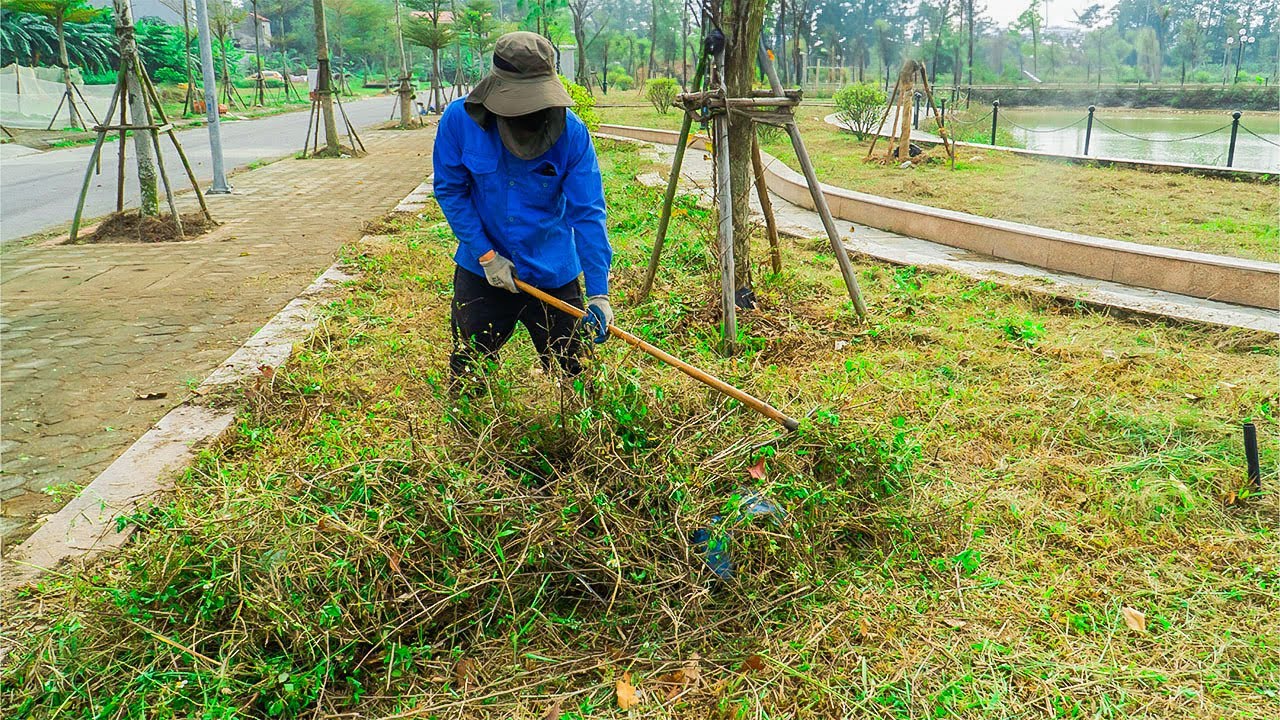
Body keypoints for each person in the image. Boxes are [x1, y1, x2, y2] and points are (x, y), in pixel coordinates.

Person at [433, 31, 613, 385]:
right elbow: (451, 190)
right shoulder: (459, 121)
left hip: (552, 271)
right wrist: (486, 256)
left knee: (575, 373)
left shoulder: (572, 134)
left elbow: (588, 213)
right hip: (482, 270)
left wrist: (599, 292)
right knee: (470, 369)